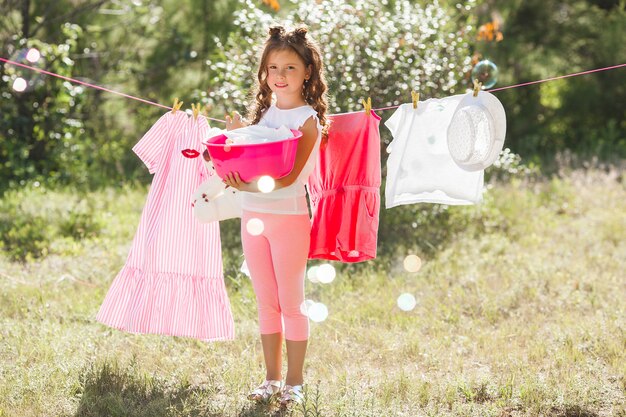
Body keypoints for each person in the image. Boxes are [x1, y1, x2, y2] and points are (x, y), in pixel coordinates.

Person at [222, 24, 329, 407]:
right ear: (264, 73)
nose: (279, 76)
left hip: (288, 218)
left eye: (289, 68)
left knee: (291, 303)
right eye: (272, 68)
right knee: (266, 303)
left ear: (307, 73)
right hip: (253, 218)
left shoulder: (307, 121)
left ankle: (295, 383)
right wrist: (235, 138)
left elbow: (288, 178)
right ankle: (270, 379)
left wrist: (245, 186)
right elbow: (251, 160)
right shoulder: (265, 115)